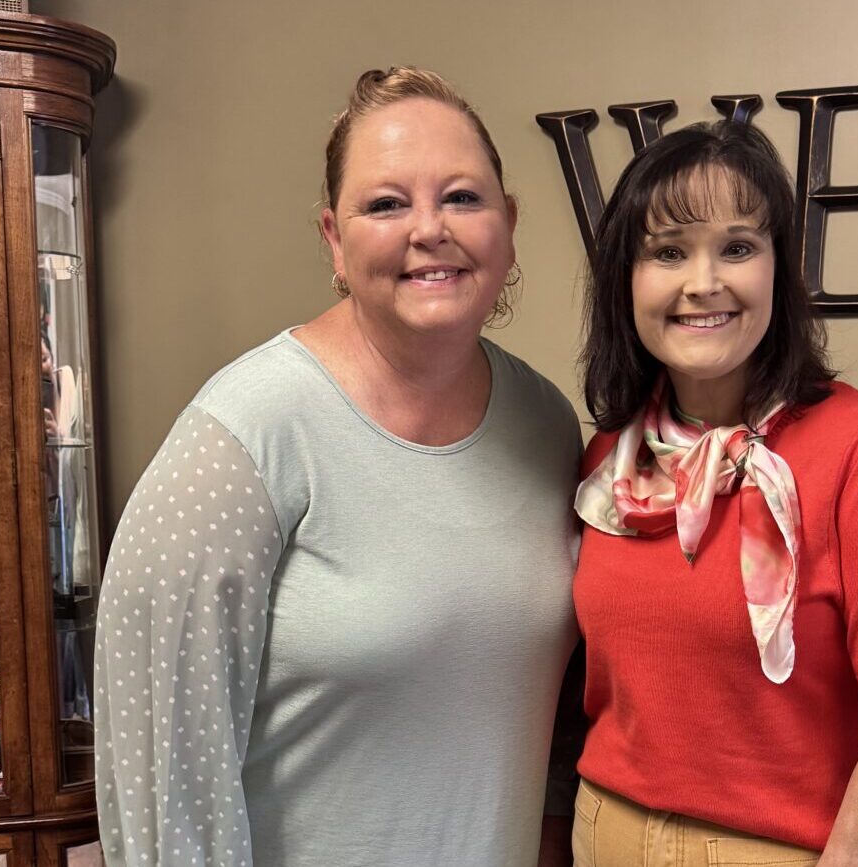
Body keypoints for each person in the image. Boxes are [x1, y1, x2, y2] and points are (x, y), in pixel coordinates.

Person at [94, 67, 581, 867]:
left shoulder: (547, 427)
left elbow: (557, 723)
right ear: (333, 238)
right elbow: (164, 790)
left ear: (509, 223)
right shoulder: (242, 438)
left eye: (462, 197)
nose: (430, 228)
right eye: (386, 203)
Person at [572, 121, 858, 866]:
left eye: (737, 247)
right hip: (600, 830)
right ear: (625, 279)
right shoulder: (609, 463)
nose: (703, 282)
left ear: (778, 270)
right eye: (668, 251)